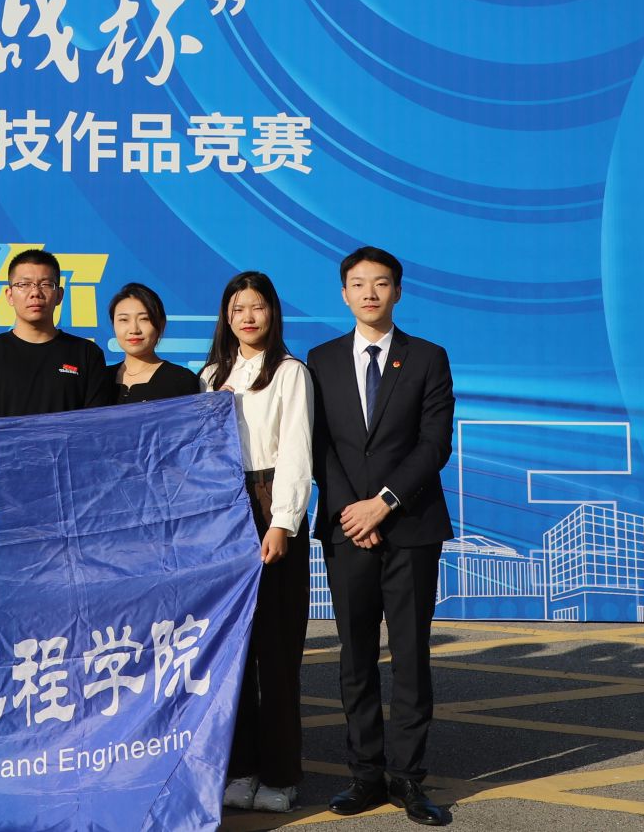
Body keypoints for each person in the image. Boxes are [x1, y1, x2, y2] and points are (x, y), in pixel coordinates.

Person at [307, 246, 454, 827]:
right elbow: (319, 444)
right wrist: (353, 511)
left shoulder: (428, 357)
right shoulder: (320, 360)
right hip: (348, 530)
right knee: (356, 655)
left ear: (398, 291)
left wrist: (383, 504)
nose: (370, 293)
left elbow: (434, 444)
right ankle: (364, 774)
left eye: (381, 283)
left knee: (411, 656)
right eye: (359, 283)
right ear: (343, 293)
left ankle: (409, 778)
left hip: (411, 527)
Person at [200, 271, 313, 815]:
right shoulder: (210, 376)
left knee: (276, 649)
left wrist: (282, 522)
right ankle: (240, 768)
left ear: (272, 312)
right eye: (237, 308)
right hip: (222, 508)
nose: (247, 317)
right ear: (226, 317)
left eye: (257, 307)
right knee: (233, 653)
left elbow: (296, 451)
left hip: (269, 502)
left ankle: (281, 774)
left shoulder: (290, 372)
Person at [0, 249, 113, 418]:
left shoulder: (87, 354)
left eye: (46, 284)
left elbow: (95, 424)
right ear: (9, 295)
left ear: (59, 295)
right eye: (24, 284)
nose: (35, 293)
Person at [106, 282, 201, 402]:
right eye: (124, 320)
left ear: (161, 324)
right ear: (113, 324)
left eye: (144, 319)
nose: (134, 330)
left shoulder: (181, 380)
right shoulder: (100, 379)